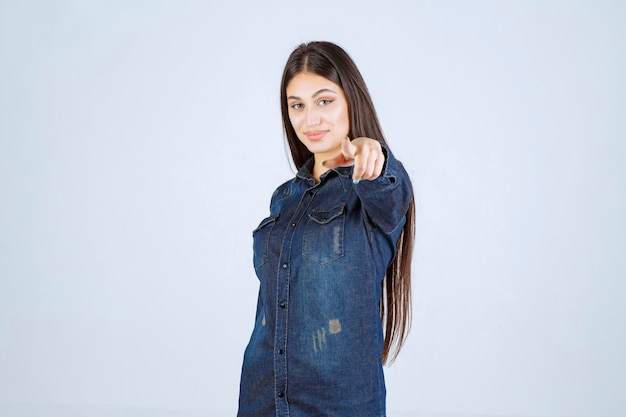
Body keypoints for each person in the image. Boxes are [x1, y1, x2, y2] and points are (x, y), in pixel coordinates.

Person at [237, 41, 415, 417]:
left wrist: (375, 155)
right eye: (296, 105)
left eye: (324, 101)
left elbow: (390, 190)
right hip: (263, 400)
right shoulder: (285, 197)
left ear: (352, 99)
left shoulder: (374, 188)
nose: (310, 119)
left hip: (338, 407)